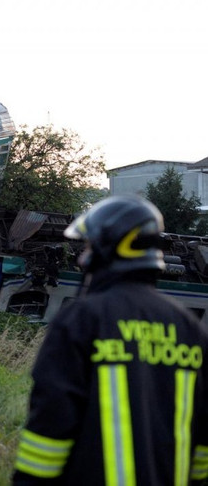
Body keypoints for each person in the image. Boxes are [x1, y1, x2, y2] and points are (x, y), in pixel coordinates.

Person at [13, 195, 208, 485]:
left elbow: (50, 427)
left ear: (107, 248)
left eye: (89, 246)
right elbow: (202, 450)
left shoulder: (81, 320)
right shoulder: (190, 330)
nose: (82, 257)